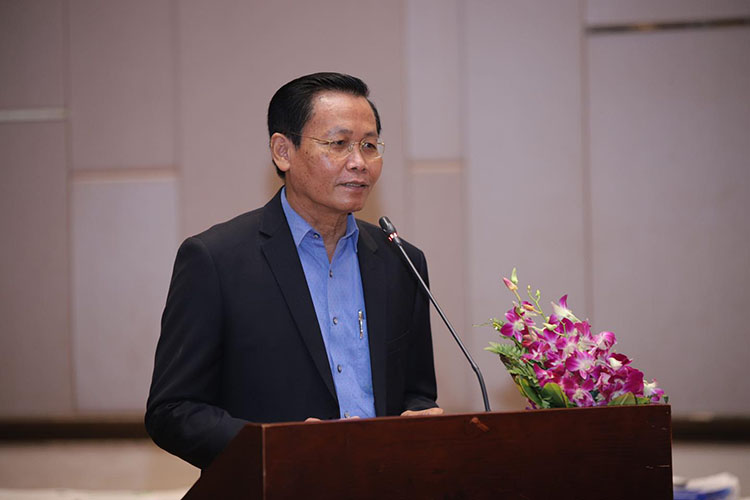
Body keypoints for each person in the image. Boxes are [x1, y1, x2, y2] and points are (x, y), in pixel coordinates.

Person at [145, 72, 442, 469]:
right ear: (283, 151)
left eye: (369, 146)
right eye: (338, 144)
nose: (359, 162)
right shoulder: (215, 260)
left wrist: (419, 420)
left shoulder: (401, 261)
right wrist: (278, 447)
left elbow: (416, 393)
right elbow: (172, 411)